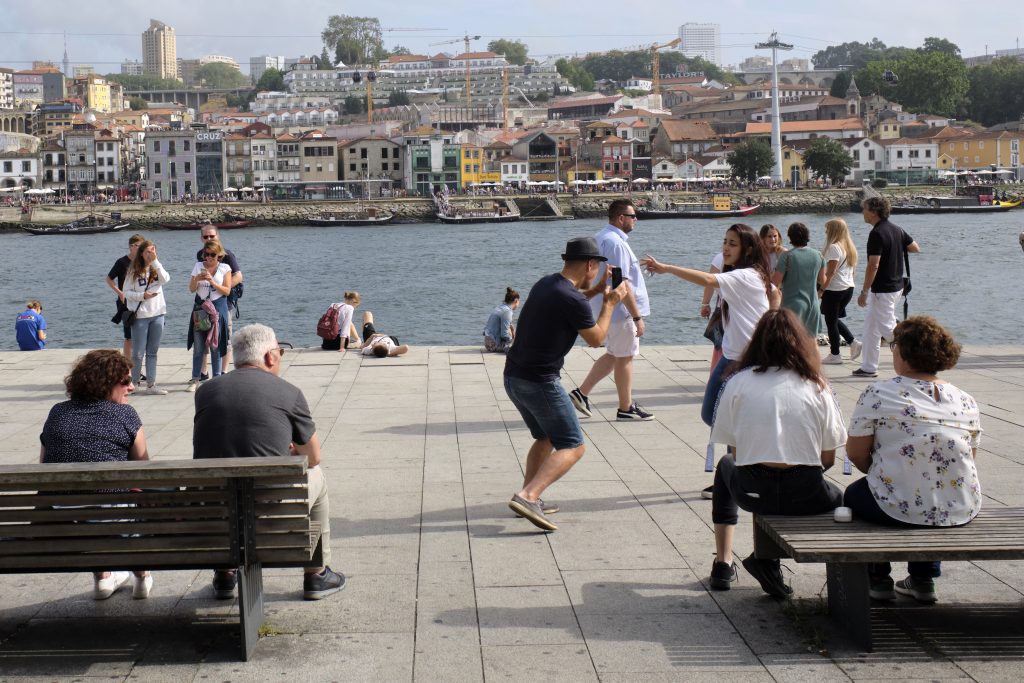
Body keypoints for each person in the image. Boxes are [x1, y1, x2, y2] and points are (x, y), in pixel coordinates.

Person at [193, 323, 345, 601]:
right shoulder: (289, 392)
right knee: (318, 475)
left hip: (217, 514)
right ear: (269, 357)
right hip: (268, 514)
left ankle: (225, 572)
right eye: (280, 352)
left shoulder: (206, 391)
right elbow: (313, 456)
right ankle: (316, 574)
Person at [706, 310, 845, 596]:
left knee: (725, 467)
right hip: (808, 494)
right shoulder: (817, 386)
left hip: (752, 488)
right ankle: (773, 560)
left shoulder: (737, 383)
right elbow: (828, 458)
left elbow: (737, 453)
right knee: (840, 498)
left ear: (756, 342)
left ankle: (723, 562)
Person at [844, 316, 981, 603]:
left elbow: (856, 453)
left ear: (904, 352)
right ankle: (923, 579)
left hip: (898, 506)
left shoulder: (879, 393)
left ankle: (878, 575)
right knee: (931, 489)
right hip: (960, 505)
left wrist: (885, 473)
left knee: (856, 494)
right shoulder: (965, 399)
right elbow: (969, 458)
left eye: (893, 345)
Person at [642, 224, 779, 500]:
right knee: (715, 415)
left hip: (746, 359)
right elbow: (775, 292)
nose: (725, 248)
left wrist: (667, 268)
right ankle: (740, 470)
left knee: (724, 418)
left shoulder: (747, 275)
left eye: (732, 244)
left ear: (748, 249)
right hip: (732, 355)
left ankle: (736, 475)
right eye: (724, 242)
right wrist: (770, 317)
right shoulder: (748, 275)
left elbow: (707, 280)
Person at [505, 237, 627, 531]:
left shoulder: (547, 283)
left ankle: (528, 497)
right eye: (596, 268)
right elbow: (597, 339)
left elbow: (572, 301)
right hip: (541, 382)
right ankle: (528, 495)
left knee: (545, 438)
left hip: (514, 377)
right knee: (573, 445)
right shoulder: (571, 298)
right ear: (589, 264)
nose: (597, 272)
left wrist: (597, 291)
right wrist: (609, 303)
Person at [39, 349, 153, 600]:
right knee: (137, 496)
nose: (132, 387)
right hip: (115, 525)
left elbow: (44, 468)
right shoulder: (126, 415)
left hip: (62, 527)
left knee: (85, 501)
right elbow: (145, 472)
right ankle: (141, 574)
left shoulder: (57, 412)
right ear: (106, 384)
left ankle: (103, 577)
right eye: (126, 382)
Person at [570, 199, 653, 422]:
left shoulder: (602, 237)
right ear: (620, 218)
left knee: (615, 353)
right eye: (633, 216)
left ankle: (581, 392)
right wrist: (636, 316)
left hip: (607, 309)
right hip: (620, 310)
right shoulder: (615, 243)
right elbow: (622, 284)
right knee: (625, 356)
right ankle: (625, 408)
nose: (636, 220)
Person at [854, 197, 920, 378]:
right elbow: (915, 248)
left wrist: (864, 292)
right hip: (897, 286)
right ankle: (868, 366)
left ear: (874, 212)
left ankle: (914, 358)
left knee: (888, 330)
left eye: (865, 209)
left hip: (883, 289)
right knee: (871, 329)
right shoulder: (896, 229)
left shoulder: (876, 234)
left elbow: (873, 265)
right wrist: (895, 249)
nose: (863, 213)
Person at [123, 239, 170, 395]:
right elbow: (126, 293)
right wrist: (142, 295)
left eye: (153, 250)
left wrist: (155, 261)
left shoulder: (157, 268)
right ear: (141, 253)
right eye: (148, 251)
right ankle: (134, 383)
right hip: (141, 316)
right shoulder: (133, 271)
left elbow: (166, 279)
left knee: (153, 351)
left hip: (158, 314)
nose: (150, 254)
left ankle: (151, 384)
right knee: (137, 352)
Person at [186, 240, 232, 392]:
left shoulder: (225, 268)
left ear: (219, 255)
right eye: (207, 255)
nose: (209, 258)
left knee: (215, 346)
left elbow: (227, 291)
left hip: (217, 311)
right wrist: (197, 279)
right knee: (199, 346)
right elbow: (192, 289)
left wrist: (212, 281)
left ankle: (217, 378)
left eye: (213, 255)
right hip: (200, 310)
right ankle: (196, 378)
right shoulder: (198, 266)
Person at [197, 225, 243, 375]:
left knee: (224, 339)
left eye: (212, 236)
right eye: (206, 237)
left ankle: (224, 371)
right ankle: (203, 373)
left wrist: (220, 287)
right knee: (202, 339)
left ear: (218, 236)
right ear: (201, 238)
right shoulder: (200, 255)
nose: (209, 239)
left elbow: (238, 276)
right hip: (203, 305)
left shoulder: (227, 255)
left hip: (224, 304)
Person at [819, 218, 861, 364]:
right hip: (848, 287)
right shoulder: (849, 247)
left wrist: (821, 289)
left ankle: (835, 354)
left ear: (833, 231)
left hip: (835, 289)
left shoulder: (834, 248)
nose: (825, 232)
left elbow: (830, 272)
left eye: (827, 229)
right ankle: (852, 342)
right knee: (833, 319)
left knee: (830, 321)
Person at [772, 222, 825, 337]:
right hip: (813, 304)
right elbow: (822, 280)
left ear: (790, 237)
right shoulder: (819, 255)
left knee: (791, 342)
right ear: (807, 235)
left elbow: (774, 283)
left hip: (792, 306)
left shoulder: (787, 256)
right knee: (811, 343)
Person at [105, 233, 145, 360]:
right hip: (125, 303)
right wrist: (120, 293)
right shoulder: (122, 262)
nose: (138, 248)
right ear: (130, 246)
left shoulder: (145, 261)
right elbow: (109, 279)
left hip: (142, 301)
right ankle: (128, 366)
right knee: (129, 337)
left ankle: (139, 367)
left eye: (140, 246)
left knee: (142, 336)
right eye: (136, 246)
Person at [483, 287, 519, 353]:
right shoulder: (507, 312)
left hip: (487, 342)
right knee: (520, 345)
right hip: (493, 345)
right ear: (516, 301)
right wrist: (514, 341)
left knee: (511, 328)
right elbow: (504, 334)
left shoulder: (500, 307)